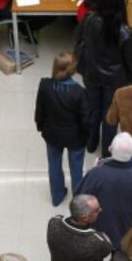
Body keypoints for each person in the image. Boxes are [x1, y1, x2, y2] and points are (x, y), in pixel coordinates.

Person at [74, 0, 132, 155]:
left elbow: (78, 42)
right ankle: (107, 153)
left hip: (91, 73)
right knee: (110, 117)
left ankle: (91, 141)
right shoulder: (124, 32)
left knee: (93, 108)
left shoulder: (88, 19)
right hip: (115, 80)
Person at [75, 132, 132, 249]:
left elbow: (78, 198)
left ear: (110, 149)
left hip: (98, 234)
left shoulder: (95, 174)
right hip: (128, 236)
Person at [34, 51, 89, 206]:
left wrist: (40, 126)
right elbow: (85, 120)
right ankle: (78, 201)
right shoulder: (79, 92)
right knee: (76, 167)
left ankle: (57, 196)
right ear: (72, 70)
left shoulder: (45, 85)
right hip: (75, 137)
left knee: (54, 164)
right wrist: (87, 135)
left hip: (52, 134)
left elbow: (40, 110)